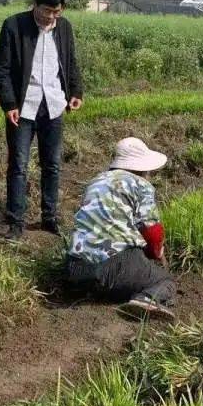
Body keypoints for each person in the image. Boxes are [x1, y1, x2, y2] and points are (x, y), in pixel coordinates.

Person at [0, 0, 84, 239]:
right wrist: (9, 103)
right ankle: (15, 221)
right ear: (35, 5)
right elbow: (2, 68)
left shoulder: (64, 28)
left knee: (53, 165)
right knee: (19, 165)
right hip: (23, 106)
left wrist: (76, 93)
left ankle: (49, 217)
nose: (51, 17)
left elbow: (70, 62)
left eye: (56, 12)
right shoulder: (14, 25)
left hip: (54, 104)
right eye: (46, 11)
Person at [67, 137, 175, 319]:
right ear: (141, 168)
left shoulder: (94, 182)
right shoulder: (141, 185)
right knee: (165, 281)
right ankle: (146, 299)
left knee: (114, 278)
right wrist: (156, 253)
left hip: (75, 269)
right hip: (114, 265)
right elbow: (152, 231)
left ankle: (95, 292)